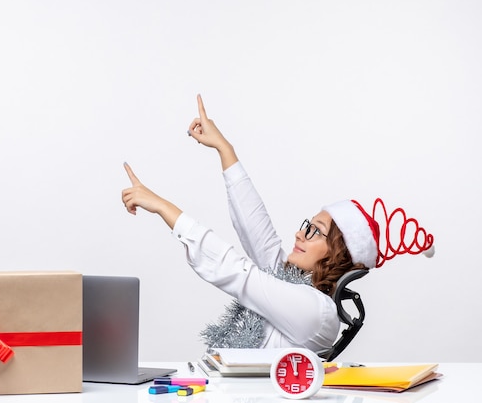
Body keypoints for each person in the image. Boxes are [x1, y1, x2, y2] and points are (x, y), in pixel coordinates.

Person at [121, 94, 434, 354]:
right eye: (306, 225)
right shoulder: (292, 286)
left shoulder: (317, 312)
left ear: (336, 255)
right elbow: (256, 229)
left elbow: (238, 273)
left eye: (315, 231)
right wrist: (224, 149)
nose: (300, 232)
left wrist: (163, 207)